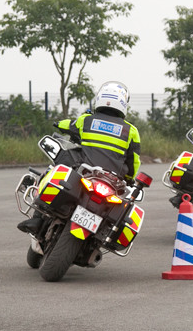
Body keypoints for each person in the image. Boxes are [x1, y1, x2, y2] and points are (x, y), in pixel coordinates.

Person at [17, 80, 141, 234]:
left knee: (57, 167)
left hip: (85, 172)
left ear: (100, 98)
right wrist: (130, 178)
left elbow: (68, 125)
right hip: (112, 182)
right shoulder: (131, 131)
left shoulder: (86, 120)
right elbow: (134, 161)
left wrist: (58, 124)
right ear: (123, 103)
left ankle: (38, 218)